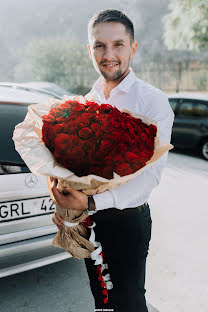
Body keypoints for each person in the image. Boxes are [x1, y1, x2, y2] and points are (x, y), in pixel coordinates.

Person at [51, 9, 174, 312]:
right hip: (90, 220)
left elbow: (151, 177)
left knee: (130, 302)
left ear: (133, 48)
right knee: (102, 298)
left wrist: (90, 204)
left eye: (118, 44)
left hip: (127, 221)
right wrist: (69, 210)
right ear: (89, 49)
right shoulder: (87, 101)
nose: (109, 54)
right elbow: (74, 169)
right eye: (99, 45)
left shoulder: (151, 101)